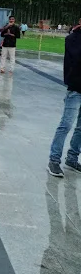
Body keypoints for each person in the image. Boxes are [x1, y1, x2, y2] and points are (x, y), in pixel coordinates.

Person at [47, 23, 81, 177]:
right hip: (76, 88)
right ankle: (54, 160)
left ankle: (72, 158)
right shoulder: (73, 39)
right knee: (66, 124)